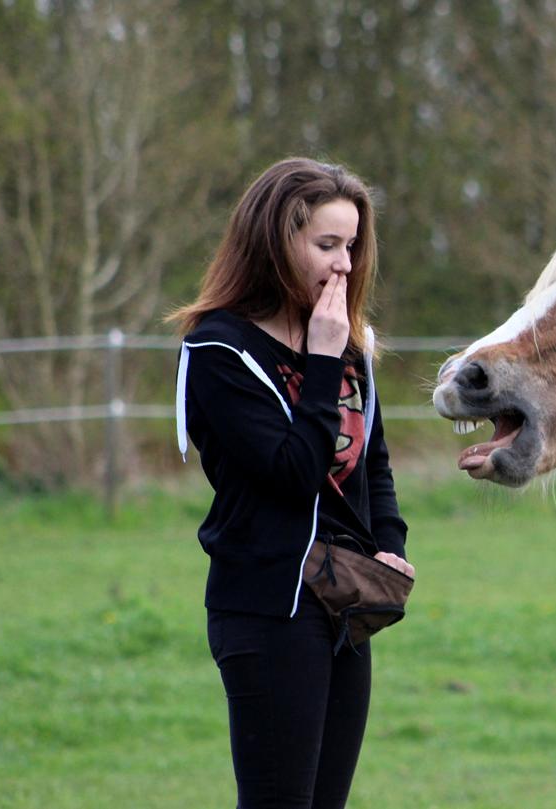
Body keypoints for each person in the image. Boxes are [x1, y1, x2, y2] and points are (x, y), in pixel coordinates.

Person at [168, 157, 413, 809]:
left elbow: (373, 461)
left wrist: (390, 543)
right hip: (270, 608)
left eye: (352, 246)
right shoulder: (221, 351)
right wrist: (324, 360)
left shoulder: (349, 342)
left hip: (344, 603)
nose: (344, 265)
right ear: (277, 242)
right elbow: (291, 473)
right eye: (326, 245)